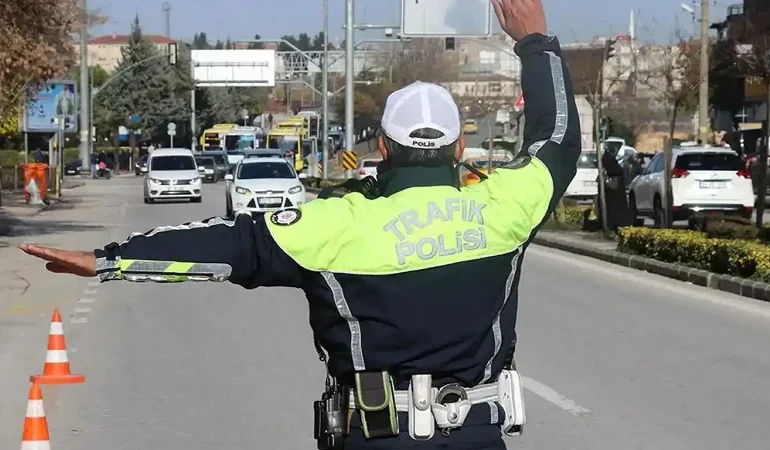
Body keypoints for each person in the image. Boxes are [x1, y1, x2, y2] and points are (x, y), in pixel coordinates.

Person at [18, 1, 580, 449]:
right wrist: (536, 41)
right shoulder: (505, 204)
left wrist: (109, 259)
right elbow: (556, 140)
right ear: (461, 146)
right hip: (478, 433)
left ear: (382, 146)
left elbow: (228, 243)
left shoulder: (334, 223)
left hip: (376, 434)